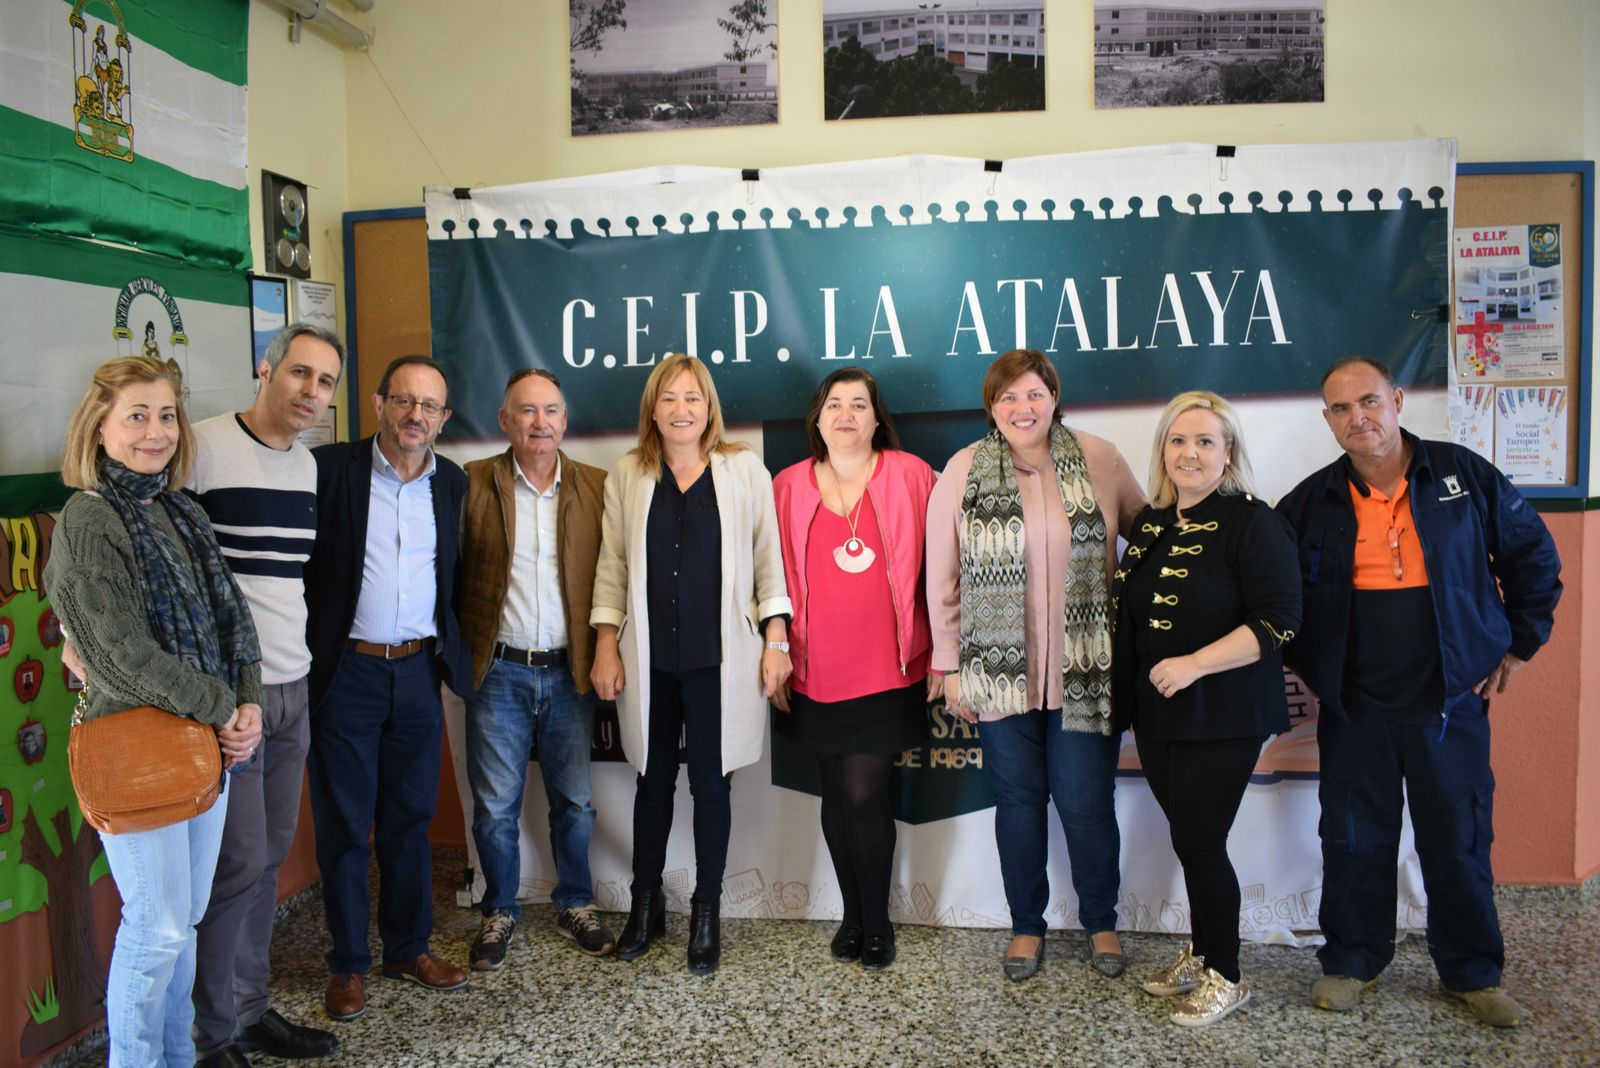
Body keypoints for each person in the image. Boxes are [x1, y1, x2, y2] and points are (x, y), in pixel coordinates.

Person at [1278, 356, 1561, 1028]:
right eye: (1342, 409)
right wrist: (1312, 667)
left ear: (1398, 400)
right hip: (1355, 706)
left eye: (1369, 401)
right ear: (1327, 420)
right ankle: (1352, 960)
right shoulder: (1311, 500)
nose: (1359, 419)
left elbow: (1534, 560)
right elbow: (1276, 595)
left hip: (1449, 702)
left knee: (1458, 837)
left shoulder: (1463, 477)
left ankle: (1472, 973)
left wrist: (1518, 646)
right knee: (1352, 838)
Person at [45, 356, 263, 1065]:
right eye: (136, 415)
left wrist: (249, 702)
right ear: (98, 426)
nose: (155, 431)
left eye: (166, 415)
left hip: (206, 745)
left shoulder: (180, 513)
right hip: (137, 747)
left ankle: (176, 1057)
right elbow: (117, 656)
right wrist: (221, 706)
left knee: (185, 925)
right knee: (157, 927)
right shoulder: (88, 519)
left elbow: (232, 621)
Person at [926, 348, 1143, 981]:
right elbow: (941, 577)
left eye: (1035, 394)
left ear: (1054, 398)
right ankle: (1027, 925)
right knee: (1018, 802)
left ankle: (1100, 919)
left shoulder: (1099, 459)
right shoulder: (963, 469)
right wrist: (948, 665)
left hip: (1085, 671)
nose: (1023, 408)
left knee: (1085, 802)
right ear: (992, 407)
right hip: (994, 674)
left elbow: (1150, 535)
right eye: (1008, 398)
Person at [590, 353, 791, 975]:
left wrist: (776, 639)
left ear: (710, 409)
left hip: (719, 659)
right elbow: (613, 565)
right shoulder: (628, 473)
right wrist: (604, 642)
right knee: (651, 783)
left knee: (712, 786)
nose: (682, 409)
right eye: (670, 398)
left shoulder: (742, 471)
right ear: (653, 408)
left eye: (693, 398)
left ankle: (706, 912)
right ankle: (645, 905)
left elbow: (767, 559)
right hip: (649, 659)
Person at [1110, 391, 1301, 1027]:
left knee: (1200, 839)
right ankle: (1201, 951)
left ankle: (1227, 974)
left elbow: (1278, 621)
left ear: (1228, 453)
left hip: (1225, 712)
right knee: (1191, 840)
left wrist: (1194, 663)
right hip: (1159, 715)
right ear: (1163, 451)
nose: (1189, 453)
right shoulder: (1153, 524)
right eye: (1178, 441)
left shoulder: (1255, 522)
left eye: (1204, 442)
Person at [303, 355, 475, 1022]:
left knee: (409, 820)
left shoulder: (451, 484)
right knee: (345, 825)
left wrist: (448, 660)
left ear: (444, 418)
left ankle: (408, 948)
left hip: (416, 671)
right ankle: (347, 965)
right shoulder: (330, 472)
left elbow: (458, 577)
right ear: (378, 403)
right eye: (404, 401)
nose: (416, 416)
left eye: (429, 406)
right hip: (347, 672)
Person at [189, 324, 344, 1065]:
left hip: (292, 686)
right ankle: (211, 1032)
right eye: (301, 373)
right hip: (229, 700)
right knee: (238, 862)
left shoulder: (306, 468)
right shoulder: (199, 446)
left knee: (270, 855)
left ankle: (249, 1010)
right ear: (265, 368)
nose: (312, 392)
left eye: (326, 382)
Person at [770, 369, 937, 971]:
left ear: (875, 419)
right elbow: (770, 576)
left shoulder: (912, 475)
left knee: (867, 794)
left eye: (858, 405)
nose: (846, 415)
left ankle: (879, 921)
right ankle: (851, 916)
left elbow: (945, 563)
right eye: (834, 404)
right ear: (817, 419)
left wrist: (946, 648)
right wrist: (775, 645)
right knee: (837, 795)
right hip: (813, 670)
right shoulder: (787, 486)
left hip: (889, 671)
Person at [459, 369, 613, 969]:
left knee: (574, 802)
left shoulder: (597, 487)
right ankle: (499, 909)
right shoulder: (471, 484)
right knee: (496, 806)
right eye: (526, 411)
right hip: (498, 673)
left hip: (569, 672)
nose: (539, 423)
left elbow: (614, 579)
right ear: (505, 421)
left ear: (565, 420)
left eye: (550, 411)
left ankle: (575, 901)